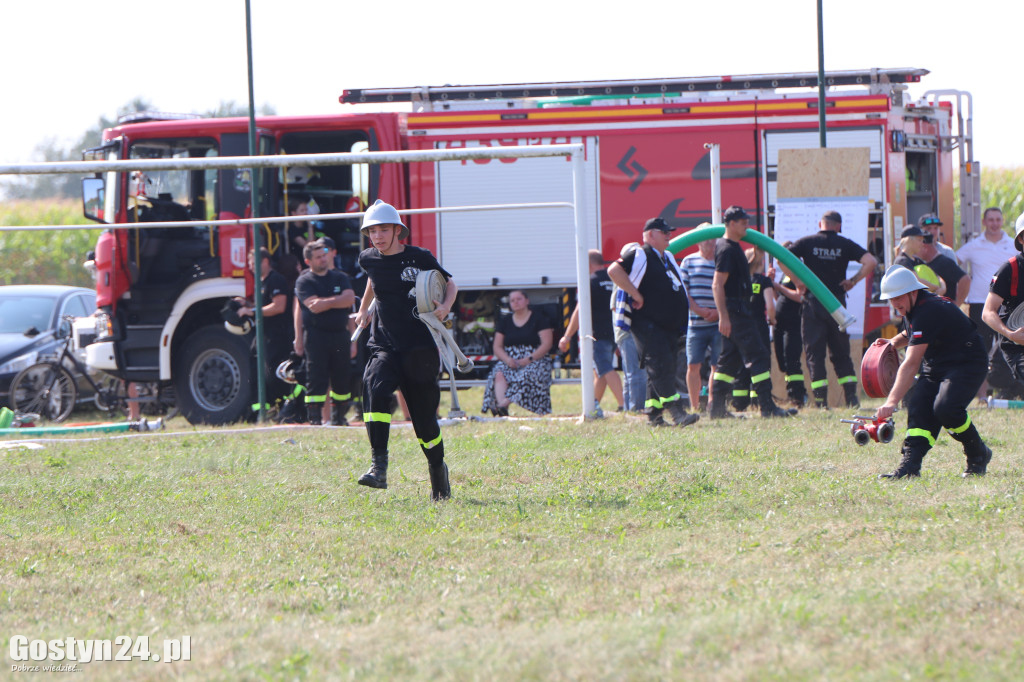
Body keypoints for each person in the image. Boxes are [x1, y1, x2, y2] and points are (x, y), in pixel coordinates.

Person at [353, 199, 457, 501]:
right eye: (372, 231)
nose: (377, 236)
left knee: (424, 423)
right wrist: (364, 309)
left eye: (383, 230)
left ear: (398, 231)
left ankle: (438, 471)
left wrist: (446, 307)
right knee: (375, 386)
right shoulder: (368, 258)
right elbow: (375, 279)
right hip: (384, 343)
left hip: (420, 349)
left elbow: (451, 284)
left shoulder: (420, 256)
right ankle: (378, 467)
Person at [875, 265, 991, 478]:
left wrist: (891, 402)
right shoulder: (914, 307)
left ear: (912, 292)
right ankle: (910, 466)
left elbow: (910, 364)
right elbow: (910, 332)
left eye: (898, 298)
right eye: (891, 299)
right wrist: (891, 343)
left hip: (967, 362)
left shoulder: (929, 310)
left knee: (946, 408)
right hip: (938, 365)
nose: (894, 303)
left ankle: (978, 453)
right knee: (919, 406)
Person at [607, 218, 699, 427]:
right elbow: (614, 270)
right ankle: (676, 412)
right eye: (664, 232)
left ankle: (653, 415)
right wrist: (635, 294)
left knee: (659, 368)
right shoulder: (640, 253)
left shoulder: (666, 257)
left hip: (669, 326)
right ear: (650, 235)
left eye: (669, 232)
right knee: (660, 367)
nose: (669, 235)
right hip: (648, 324)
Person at [785, 210, 877, 408]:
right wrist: (853, 281)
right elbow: (871, 261)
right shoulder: (844, 244)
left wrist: (798, 282)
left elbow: (781, 258)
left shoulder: (807, 242)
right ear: (838, 226)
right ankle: (851, 399)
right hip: (836, 306)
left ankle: (820, 402)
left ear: (821, 224)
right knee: (841, 353)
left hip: (813, 305)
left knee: (814, 355)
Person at [708, 206, 792, 419]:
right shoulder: (727, 249)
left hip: (737, 310)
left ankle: (716, 409)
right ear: (731, 223)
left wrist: (756, 253)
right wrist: (724, 317)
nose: (747, 225)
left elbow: (737, 273)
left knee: (728, 361)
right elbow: (717, 285)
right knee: (759, 355)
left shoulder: (733, 247)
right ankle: (767, 407)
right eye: (743, 222)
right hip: (736, 311)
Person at [957, 207, 1017, 398]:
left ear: (1003, 221)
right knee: (980, 350)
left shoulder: (1013, 245)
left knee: (1007, 347)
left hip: (1006, 305)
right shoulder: (974, 245)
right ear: (984, 222)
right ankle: (982, 395)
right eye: (990, 220)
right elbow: (954, 260)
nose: (994, 223)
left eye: (998, 219)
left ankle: (1005, 392)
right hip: (978, 305)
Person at [295, 239, 355, 426]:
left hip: (340, 334)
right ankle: (315, 418)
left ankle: (339, 416)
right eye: (318, 257)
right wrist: (337, 300)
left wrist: (325, 302)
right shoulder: (304, 281)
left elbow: (349, 299)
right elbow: (313, 307)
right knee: (316, 377)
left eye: (325, 255)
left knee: (342, 377)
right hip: (316, 336)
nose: (323, 259)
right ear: (308, 261)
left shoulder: (340, 277)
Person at [559, 250, 624, 416]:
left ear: (587, 264)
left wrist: (567, 336)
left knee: (606, 369)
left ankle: (624, 405)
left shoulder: (589, 282)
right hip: (613, 332)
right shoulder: (613, 278)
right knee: (600, 373)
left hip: (596, 334)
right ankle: (593, 405)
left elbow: (579, 311)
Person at [236, 247, 295, 415]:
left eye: (254, 262)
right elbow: (262, 307)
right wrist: (246, 305)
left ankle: (287, 407)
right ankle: (261, 410)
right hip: (263, 335)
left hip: (277, 336)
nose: (251, 266)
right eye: (249, 263)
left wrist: (252, 311)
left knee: (275, 375)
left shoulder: (276, 280)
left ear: (265, 261)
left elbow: (279, 306)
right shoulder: (260, 282)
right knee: (255, 371)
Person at [482, 290, 555, 416]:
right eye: (512, 300)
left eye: (519, 299)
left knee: (528, 373)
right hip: (510, 359)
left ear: (527, 301)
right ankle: (502, 411)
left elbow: (547, 344)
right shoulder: (505, 321)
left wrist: (529, 358)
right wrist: (507, 360)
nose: (516, 302)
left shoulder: (539, 318)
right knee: (499, 373)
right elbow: (497, 346)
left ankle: (503, 404)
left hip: (536, 358)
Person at [981, 214, 1024, 394]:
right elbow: (988, 312)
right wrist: (1010, 334)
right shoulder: (1010, 269)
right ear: (1021, 239)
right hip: (1018, 345)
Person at [730, 247, 776, 410]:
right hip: (759, 327)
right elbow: (770, 305)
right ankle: (758, 401)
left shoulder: (739, 281)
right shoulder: (763, 281)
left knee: (742, 364)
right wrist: (772, 319)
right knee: (760, 363)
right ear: (760, 262)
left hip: (740, 325)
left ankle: (739, 403)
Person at [680, 232, 721, 413]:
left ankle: (713, 402)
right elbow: (684, 292)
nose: (709, 242)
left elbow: (726, 288)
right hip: (696, 324)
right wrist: (699, 310)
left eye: (712, 239)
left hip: (718, 323)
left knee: (717, 365)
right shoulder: (688, 262)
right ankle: (694, 405)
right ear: (698, 242)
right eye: (706, 239)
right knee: (693, 365)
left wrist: (718, 312)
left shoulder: (721, 261)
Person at [611, 243, 645, 413]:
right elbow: (616, 308)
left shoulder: (625, 279)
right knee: (636, 372)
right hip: (628, 332)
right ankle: (637, 409)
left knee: (629, 373)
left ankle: (628, 409)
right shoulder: (622, 282)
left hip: (623, 333)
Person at [772, 252, 806, 407]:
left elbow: (800, 297)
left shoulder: (799, 274)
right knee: (782, 362)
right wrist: (772, 284)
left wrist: (778, 287)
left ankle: (798, 396)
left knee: (792, 359)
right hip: (780, 324)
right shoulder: (785, 275)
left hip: (793, 323)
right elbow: (780, 297)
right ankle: (791, 393)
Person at [920, 232, 969, 306]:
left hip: (945, 311)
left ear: (925, 247)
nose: (916, 252)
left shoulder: (944, 262)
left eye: (918, 248)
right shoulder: (926, 263)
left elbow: (966, 280)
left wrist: (957, 304)